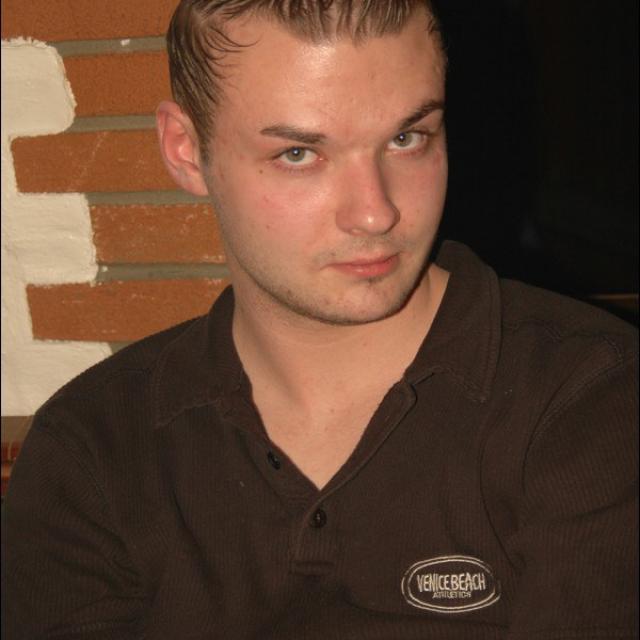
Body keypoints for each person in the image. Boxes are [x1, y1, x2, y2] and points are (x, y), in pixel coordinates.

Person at [2, 1, 638, 638]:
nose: (375, 213)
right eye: (299, 153)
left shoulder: (592, 398)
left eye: (407, 138)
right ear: (187, 152)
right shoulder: (91, 448)